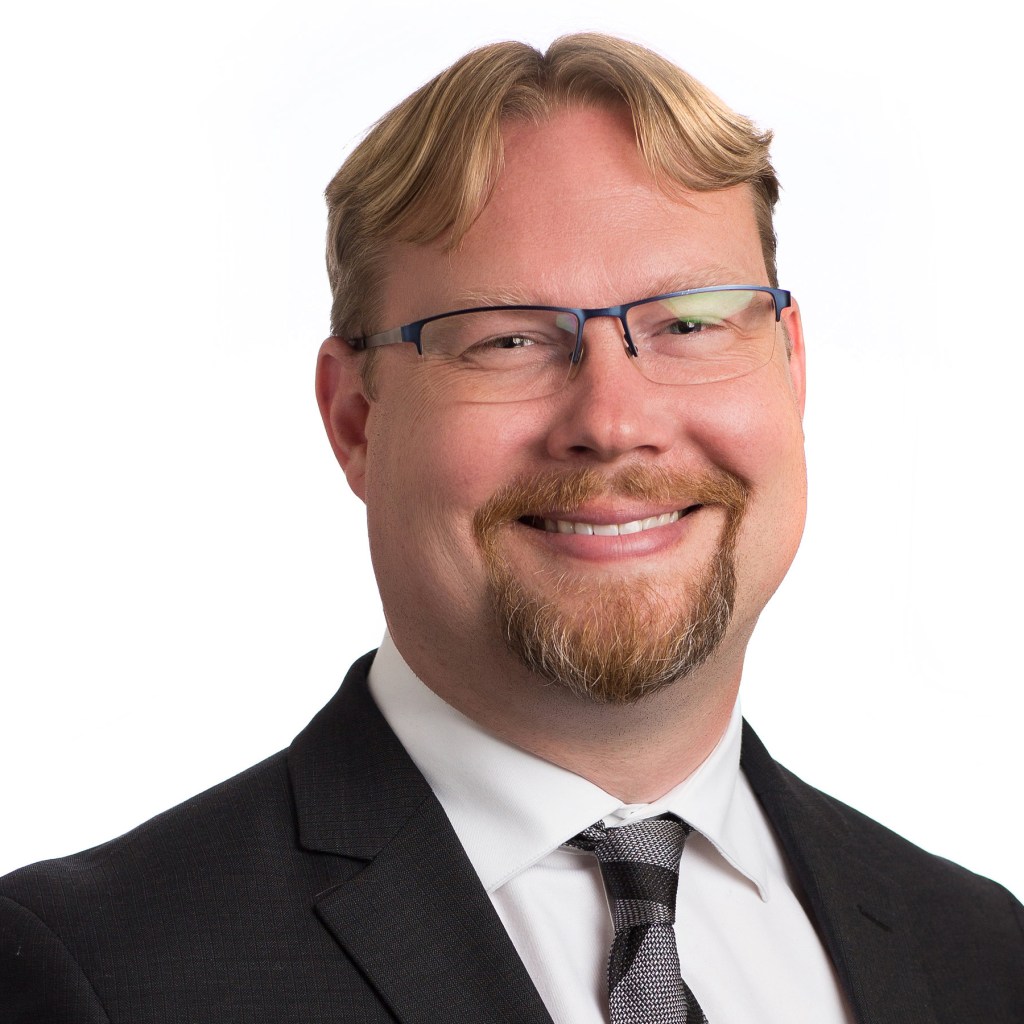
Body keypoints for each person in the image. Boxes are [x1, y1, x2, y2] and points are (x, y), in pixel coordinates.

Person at [1, 33, 1021, 1024]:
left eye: (689, 323)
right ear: (355, 419)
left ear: (790, 368)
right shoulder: (103, 973)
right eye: (506, 340)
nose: (612, 422)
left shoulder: (982, 954)